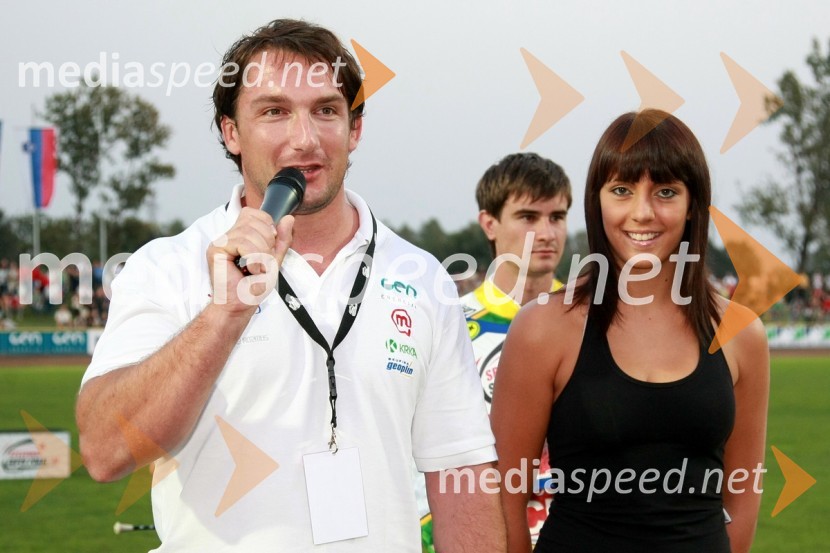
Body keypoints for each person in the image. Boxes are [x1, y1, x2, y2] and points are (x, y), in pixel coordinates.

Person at [76, 19, 505, 552]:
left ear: (355, 128)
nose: (305, 138)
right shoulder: (166, 266)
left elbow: (460, 475)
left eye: (326, 110)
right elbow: (104, 451)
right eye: (274, 111)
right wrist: (223, 313)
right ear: (230, 131)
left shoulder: (422, 278)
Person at [491, 110, 769, 553]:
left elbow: (743, 494)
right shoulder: (543, 329)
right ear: (596, 201)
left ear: (693, 204)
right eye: (622, 190)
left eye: (665, 192)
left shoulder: (741, 333)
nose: (643, 213)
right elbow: (505, 497)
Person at [418, 152, 572, 550]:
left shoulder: (595, 322)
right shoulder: (449, 323)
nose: (547, 232)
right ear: (489, 223)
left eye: (557, 217)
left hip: (577, 531)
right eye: (528, 217)